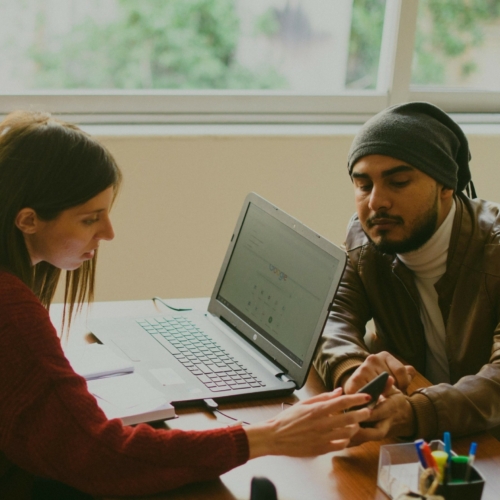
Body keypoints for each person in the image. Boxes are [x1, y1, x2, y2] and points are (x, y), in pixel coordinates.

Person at [0, 110, 371, 500]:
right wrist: (270, 436)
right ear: (28, 220)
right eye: (90, 219)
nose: (108, 233)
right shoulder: (12, 313)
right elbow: (104, 456)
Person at [314, 101, 500, 444]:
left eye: (398, 182)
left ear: (446, 185)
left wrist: (417, 413)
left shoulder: (495, 249)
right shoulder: (364, 239)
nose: (376, 202)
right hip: (424, 442)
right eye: (363, 185)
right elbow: (330, 315)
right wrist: (353, 370)